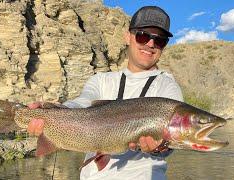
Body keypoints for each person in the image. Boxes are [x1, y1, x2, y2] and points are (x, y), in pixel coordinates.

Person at [28, 6, 183, 180]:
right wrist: (53, 110)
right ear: (127, 37)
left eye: (159, 40)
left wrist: (161, 147)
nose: (151, 44)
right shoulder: (101, 80)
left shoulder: (168, 87)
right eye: (143, 36)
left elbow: (173, 141)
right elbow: (83, 103)